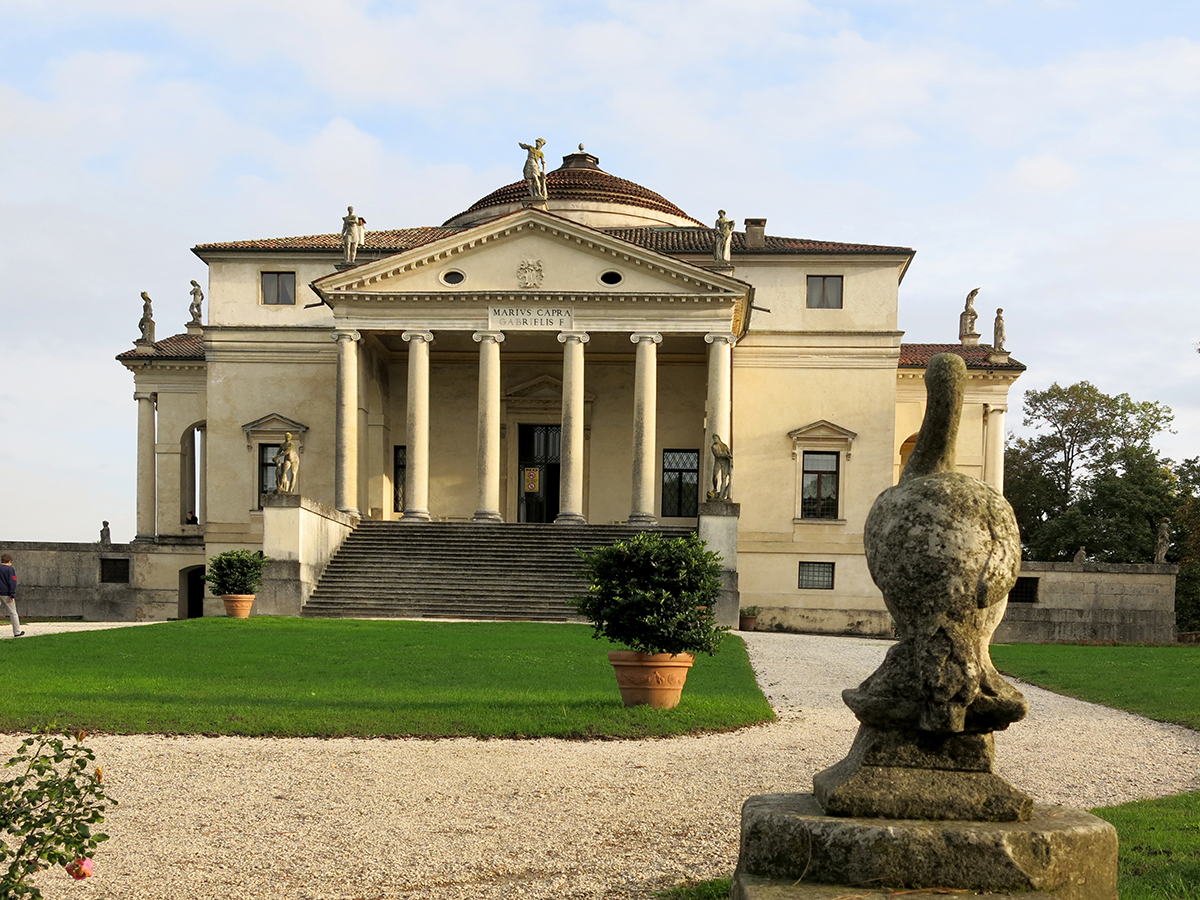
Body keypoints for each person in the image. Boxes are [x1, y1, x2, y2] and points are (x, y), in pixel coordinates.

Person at [0, 554, 25, 638]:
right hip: (6, 593)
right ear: (9, 561)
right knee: (13, 612)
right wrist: (12, 594)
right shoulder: (10, 569)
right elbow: (12, 582)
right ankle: (17, 632)